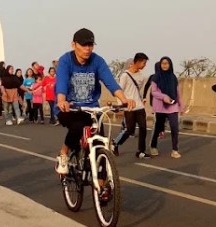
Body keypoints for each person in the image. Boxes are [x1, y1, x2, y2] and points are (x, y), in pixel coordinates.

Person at [54, 29, 133, 176]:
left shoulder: (97, 61)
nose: (87, 49)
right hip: (69, 108)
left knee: (100, 144)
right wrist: (61, 101)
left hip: (91, 109)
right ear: (73, 45)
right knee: (77, 127)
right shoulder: (66, 61)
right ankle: (64, 153)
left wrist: (124, 99)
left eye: (90, 45)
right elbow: (62, 83)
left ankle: (101, 185)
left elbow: (110, 82)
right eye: (84, 45)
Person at [112, 53, 149, 159]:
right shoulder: (125, 76)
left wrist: (141, 99)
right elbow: (119, 91)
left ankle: (141, 151)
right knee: (129, 130)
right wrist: (121, 106)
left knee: (143, 129)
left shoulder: (142, 76)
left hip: (139, 107)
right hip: (129, 107)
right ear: (137, 62)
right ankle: (115, 143)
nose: (144, 65)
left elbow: (138, 90)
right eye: (143, 63)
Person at [148, 57, 186, 159]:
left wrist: (181, 105)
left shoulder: (173, 77)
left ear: (170, 65)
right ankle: (153, 146)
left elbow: (177, 93)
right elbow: (154, 92)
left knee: (174, 127)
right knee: (158, 127)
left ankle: (175, 149)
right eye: (163, 63)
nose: (165, 65)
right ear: (160, 65)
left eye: (167, 63)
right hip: (160, 107)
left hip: (172, 106)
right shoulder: (156, 77)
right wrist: (164, 97)